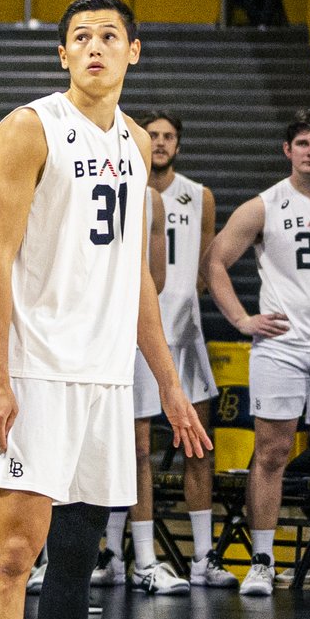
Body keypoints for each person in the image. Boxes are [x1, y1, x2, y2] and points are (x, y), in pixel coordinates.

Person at [0, 0, 208, 619]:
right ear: (62, 55)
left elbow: (135, 276)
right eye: (79, 37)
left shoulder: (136, 143)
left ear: (134, 51)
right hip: (34, 368)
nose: (94, 47)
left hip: (105, 374)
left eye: (108, 36)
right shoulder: (28, 126)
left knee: (76, 555)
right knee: (12, 552)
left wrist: (168, 384)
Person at [199, 108, 310, 599]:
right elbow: (215, 262)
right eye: (304, 143)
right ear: (287, 151)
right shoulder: (264, 206)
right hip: (282, 347)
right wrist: (241, 320)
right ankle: (263, 561)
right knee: (270, 454)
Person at [107, 111, 223, 593]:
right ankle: (121, 556)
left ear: (178, 143)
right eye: (151, 135)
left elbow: (202, 268)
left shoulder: (199, 196)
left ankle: (202, 556)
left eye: (167, 136)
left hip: (183, 331)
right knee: (132, 449)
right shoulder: (126, 188)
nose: (158, 142)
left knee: (198, 446)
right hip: (133, 332)